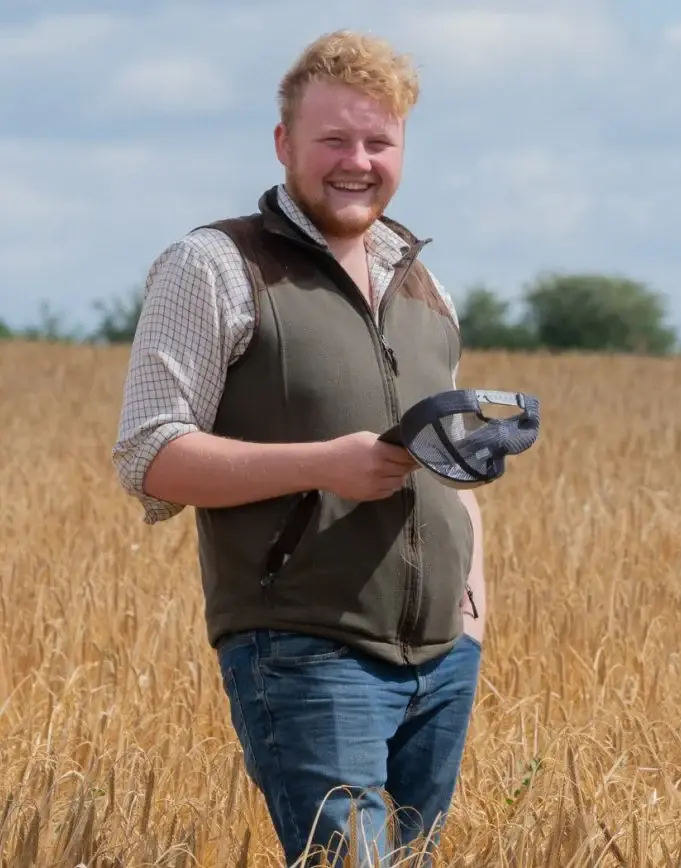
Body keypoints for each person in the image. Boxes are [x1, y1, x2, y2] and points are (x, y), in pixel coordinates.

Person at [111, 30, 486, 867]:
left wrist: (473, 613)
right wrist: (324, 463)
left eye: (378, 142)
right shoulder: (213, 265)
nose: (357, 161)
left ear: (403, 149)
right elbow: (150, 454)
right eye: (334, 140)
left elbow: (448, 464)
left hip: (440, 657)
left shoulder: (424, 285)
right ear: (284, 144)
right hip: (304, 649)